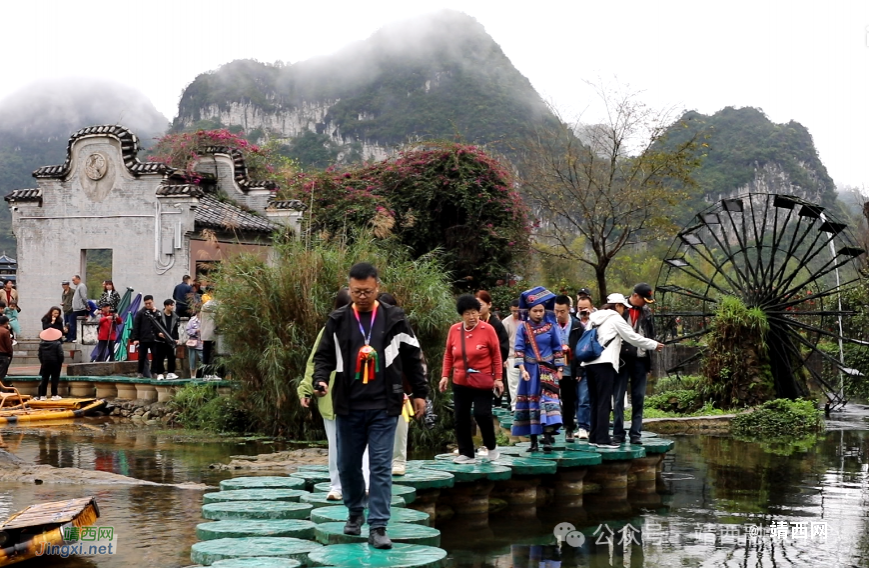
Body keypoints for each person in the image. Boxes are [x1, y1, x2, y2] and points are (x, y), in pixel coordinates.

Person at [312, 263, 427, 550]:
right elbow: (323, 356)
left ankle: (378, 526)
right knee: (348, 465)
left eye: (367, 291)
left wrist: (420, 393)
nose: (361, 296)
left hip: (384, 405)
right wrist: (321, 380)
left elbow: (412, 357)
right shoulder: (338, 319)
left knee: (379, 467)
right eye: (355, 291)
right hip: (349, 406)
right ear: (349, 289)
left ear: (377, 288)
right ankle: (354, 512)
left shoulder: (394, 318)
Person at [298, 289, 370, 500]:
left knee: (364, 442)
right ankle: (337, 487)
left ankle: (364, 484)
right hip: (332, 397)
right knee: (336, 444)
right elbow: (315, 362)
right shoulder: (328, 331)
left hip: (363, 396)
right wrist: (306, 389)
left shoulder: (370, 330)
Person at [581, 293, 663, 448]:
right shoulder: (615, 318)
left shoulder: (595, 317)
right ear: (617, 305)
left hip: (589, 363)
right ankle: (603, 439)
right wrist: (653, 344)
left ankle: (594, 436)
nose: (624, 310)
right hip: (605, 363)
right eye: (623, 307)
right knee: (604, 402)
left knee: (595, 401)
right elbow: (633, 337)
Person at [439, 294, 503, 464]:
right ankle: (466, 452)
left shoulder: (487, 330)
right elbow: (448, 355)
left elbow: (496, 355)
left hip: (482, 380)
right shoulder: (454, 330)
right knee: (460, 417)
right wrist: (445, 375)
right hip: (460, 380)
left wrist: (498, 378)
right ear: (462, 315)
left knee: (482, 414)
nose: (472, 317)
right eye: (468, 313)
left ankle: (491, 446)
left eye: (475, 312)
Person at [512, 287, 564, 452]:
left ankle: (547, 439)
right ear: (529, 311)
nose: (538, 314)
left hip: (548, 372)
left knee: (549, 403)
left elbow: (557, 348)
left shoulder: (551, 326)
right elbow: (519, 349)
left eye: (541, 311)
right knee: (531, 404)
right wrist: (522, 369)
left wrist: (560, 368)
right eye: (535, 311)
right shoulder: (523, 327)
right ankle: (533, 442)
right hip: (530, 372)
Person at [613, 283, 658, 445]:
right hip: (622, 360)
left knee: (639, 398)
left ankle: (635, 433)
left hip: (640, 360)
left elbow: (650, 337)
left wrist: (650, 364)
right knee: (618, 398)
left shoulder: (646, 313)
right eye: (644, 299)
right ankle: (617, 433)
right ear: (635, 296)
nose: (646, 303)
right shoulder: (619, 308)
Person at [553, 295, 584, 441]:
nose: (559, 314)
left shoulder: (577, 326)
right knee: (556, 399)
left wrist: (579, 368)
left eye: (562, 311)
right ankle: (554, 429)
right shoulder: (550, 325)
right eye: (556, 311)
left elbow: (582, 348)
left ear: (569, 309)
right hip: (554, 368)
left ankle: (572, 428)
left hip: (570, 368)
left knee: (571, 399)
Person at [475, 291, 509, 407]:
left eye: (481, 304)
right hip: (478, 367)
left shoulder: (496, 324)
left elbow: (504, 346)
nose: (478, 308)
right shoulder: (474, 323)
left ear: (489, 305)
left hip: (494, 366)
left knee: (495, 396)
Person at [572, 296, 596, 440]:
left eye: (585, 308)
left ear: (591, 307)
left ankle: (584, 426)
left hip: (590, 364)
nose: (583, 311)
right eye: (580, 308)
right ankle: (580, 424)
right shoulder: (573, 323)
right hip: (574, 365)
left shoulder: (596, 321)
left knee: (584, 398)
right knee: (575, 398)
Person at [131, 295, 161, 378]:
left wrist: (155, 313)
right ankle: (140, 372)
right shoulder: (140, 313)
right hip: (143, 338)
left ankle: (154, 372)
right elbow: (136, 326)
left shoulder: (157, 312)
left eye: (149, 303)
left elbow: (160, 324)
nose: (148, 305)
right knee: (142, 357)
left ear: (153, 302)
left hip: (154, 338)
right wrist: (136, 338)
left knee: (155, 356)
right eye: (146, 303)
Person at [501, 299, 521, 410]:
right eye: (513, 311)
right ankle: (514, 406)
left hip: (525, 356)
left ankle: (523, 406)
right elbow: (504, 341)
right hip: (511, 355)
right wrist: (505, 358)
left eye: (518, 311)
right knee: (513, 384)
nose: (516, 313)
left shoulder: (526, 320)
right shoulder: (506, 322)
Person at [153, 299, 180, 380]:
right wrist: (158, 333)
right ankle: (160, 373)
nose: (172, 307)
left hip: (171, 340)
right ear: (166, 306)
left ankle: (171, 372)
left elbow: (175, 329)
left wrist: (176, 338)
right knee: (160, 357)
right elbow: (154, 326)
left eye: (173, 305)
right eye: (171, 305)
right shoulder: (159, 315)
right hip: (160, 340)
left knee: (171, 356)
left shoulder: (175, 316)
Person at [37, 327, 64, 401]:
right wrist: (60, 362)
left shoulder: (41, 344)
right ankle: (54, 394)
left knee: (44, 378)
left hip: (45, 362)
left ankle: (42, 395)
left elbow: (39, 354)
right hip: (55, 363)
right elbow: (60, 354)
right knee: (55, 378)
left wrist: (42, 362)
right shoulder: (57, 343)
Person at [185, 308, 204, 378]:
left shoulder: (205, 320)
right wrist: (196, 330)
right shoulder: (192, 320)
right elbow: (188, 331)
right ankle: (192, 376)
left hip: (202, 342)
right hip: (193, 343)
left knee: (203, 358)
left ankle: (205, 374)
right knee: (192, 360)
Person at [0, 316, 12, 382]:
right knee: (2, 374)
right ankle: (2, 390)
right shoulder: (5, 331)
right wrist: (10, 353)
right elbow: (8, 345)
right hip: (3, 355)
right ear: (6, 323)